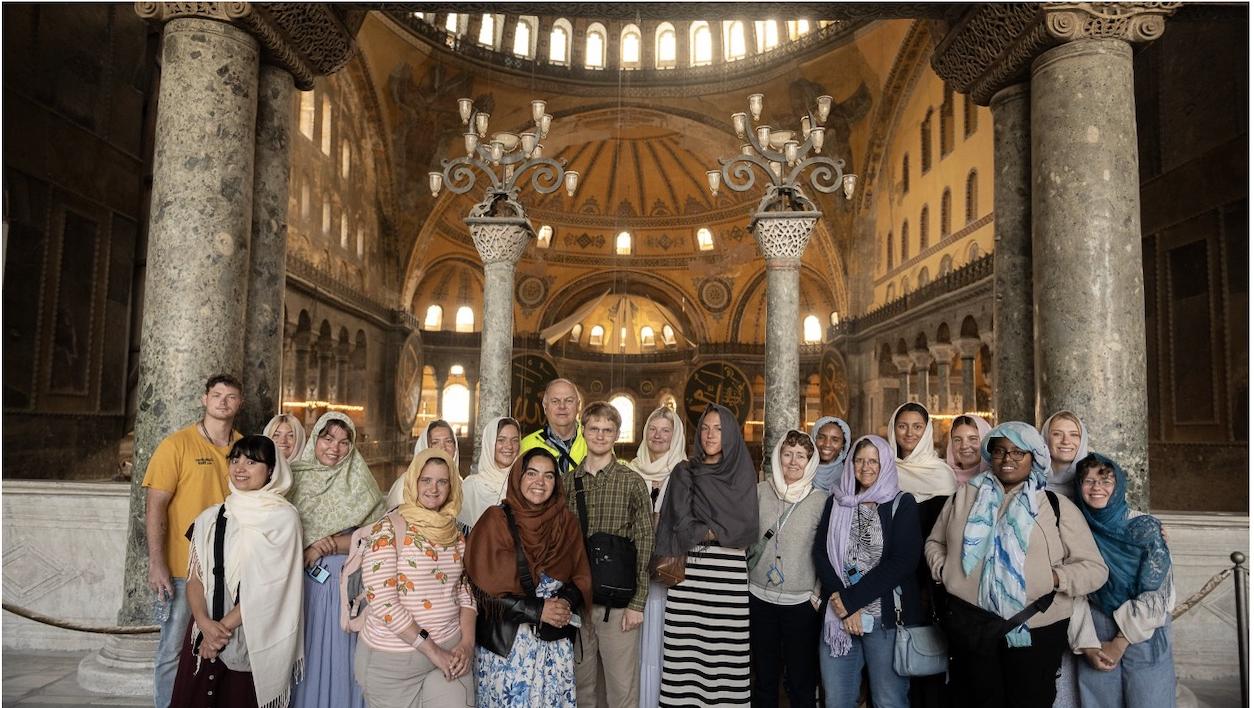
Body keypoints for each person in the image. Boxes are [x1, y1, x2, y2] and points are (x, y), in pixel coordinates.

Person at [924, 422, 1108, 708]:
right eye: (999, 451)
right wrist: (944, 570)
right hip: (971, 625)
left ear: (1034, 457)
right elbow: (935, 543)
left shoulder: (1054, 506)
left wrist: (1054, 578)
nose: (1007, 459)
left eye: (1017, 452)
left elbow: (1094, 569)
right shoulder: (964, 497)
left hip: (1035, 628)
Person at [170, 435, 304, 708]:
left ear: (271, 471)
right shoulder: (210, 517)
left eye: (252, 461)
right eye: (235, 459)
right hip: (203, 630)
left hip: (250, 633)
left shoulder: (283, 519)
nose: (240, 468)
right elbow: (195, 579)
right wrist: (205, 625)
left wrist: (220, 632)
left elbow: (271, 588)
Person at [142, 373, 244, 708]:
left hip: (228, 571)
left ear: (239, 404)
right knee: (172, 649)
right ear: (204, 399)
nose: (223, 402)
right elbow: (155, 504)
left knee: (220, 647)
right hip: (182, 568)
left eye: (230, 397)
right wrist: (156, 562)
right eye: (217, 395)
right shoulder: (177, 445)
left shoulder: (243, 448)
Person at [464, 448, 592, 707]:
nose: (540, 483)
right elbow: (481, 592)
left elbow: (580, 576)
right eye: (531, 473)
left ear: (556, 483)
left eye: (548, 476)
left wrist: (566, 602)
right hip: (508, 648)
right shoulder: (494, 521)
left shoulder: (566, 522)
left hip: (553, 645)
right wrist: (538, 611)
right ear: (518, 477)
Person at [355, 448, 477, 708]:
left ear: (452, 486)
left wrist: (467, 644)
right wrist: (435, 652)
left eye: (442, 481)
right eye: (426, 480)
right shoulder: (388, 529)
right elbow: (384, 602)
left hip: (451, 654)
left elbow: (464, 590)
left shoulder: (454, 533)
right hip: (393, 665)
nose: (434, 488)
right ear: (413, 482)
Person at [655, 403, 759, 707]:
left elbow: (746, 529)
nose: (710, 435)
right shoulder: (685, 471)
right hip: (689, 579)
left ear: (731, 434)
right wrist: (720, 529)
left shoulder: (742, 475)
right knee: (685, 657)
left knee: (726, 656)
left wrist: (707, 528)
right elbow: (679, 526)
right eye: (705, 427)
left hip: (727, 582)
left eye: (719, 428)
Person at [813, 435, 922, 708]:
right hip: (838, 621)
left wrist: (851, 602)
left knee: (888, 701)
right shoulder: (836, 501)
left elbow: (902, 562)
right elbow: (820, 553)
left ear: (884, 463)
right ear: (850, 463)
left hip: (884, 622)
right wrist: (845, 606)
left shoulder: (901, 503)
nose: (866, 467)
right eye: (859, 460)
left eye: (873, 460)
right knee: (837, 701)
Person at [288, 412, 385, 708]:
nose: (335, 448)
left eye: (345, 442)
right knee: (306, 651)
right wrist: (311, 548)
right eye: (328, 439)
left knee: (342, 653)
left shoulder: (361, 481)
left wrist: (324, 548)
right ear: (315, 438)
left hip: (346, 585)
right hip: (299, 583)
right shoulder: (293, 477)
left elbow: (378, 536)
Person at [563, 402, 655, 708]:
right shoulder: (568, 482)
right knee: (583, 687)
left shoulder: (632, 482)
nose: (600, 436)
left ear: (617, 434)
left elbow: (644, 541)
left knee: (621, 690)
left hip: (618, 606)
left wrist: (638, 604)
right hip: (578, 602)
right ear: (583, 431)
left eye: (607, 430)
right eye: (594, 429)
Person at [1069, 453, 1176, 708]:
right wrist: (1086, 643)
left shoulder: (1144, 527)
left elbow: (1158, 593)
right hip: (1093, 629)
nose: (1096, 488)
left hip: (1142, 630)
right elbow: (1072, 587)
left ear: (1118, 487)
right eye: (1088, 481)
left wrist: (1120, 642)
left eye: (1106, 481)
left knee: (1149, 701)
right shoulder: (1075, 527)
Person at [749, 430, 826, 708]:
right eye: (787, 454)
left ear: (810, 461)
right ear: (778, 456)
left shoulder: (821, 501)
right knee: (764, 677)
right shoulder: (759, 492)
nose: (793, 462)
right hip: (759, 597)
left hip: (801, 603)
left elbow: (826, 551)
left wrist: (817, 594)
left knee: (800, 679)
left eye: (801, 456)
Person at [889, 402, 956, 708]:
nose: (909, 433)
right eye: (902, 425)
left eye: (917, 426)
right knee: (892, 653)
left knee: (928, 650)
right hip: (890, 574)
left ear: (927, 430)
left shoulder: (942, 475)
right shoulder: (883, 471)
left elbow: (946, 535)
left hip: (929, 578)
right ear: (893, 428)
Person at [627, 406, 687, 708]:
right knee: (633, 651)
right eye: (653, 428)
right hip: (633, 575)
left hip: (669, 578)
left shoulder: (686, 472)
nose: (658, 435)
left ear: (675, 436)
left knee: (664, 648)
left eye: (666, 430)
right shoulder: (630, 469)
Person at [458, 417, 521, 528]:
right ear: (489, 443)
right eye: (501, 440)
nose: (509, 446)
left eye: (515, 440)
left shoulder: (525, 483)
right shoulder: (471, 487)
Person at [387, 420, 459, 509]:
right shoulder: (405, 484)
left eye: (448, 441)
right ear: (424, 446)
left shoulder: (460, 484)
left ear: (455, 447)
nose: (443, 448)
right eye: (435, 442)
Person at [520, 378, 587, 475]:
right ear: (545, 407)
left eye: (569, 401)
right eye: (555, 401)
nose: (562, 406)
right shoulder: (526, 445)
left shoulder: (595, 440)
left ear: (578, 406)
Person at [1041, 411, 1090, 500]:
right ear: (1045, 439)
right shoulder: (1027, 481)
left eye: (1074, 435)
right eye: (1057, 434)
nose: (1066, 441)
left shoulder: (1095, 484)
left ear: (1082, 441)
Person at [944, 414, 991, 485]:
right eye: (957, 440)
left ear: (987, 442)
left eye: (972, 439)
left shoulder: (996, 481)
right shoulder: (941, 477)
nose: (964, 446)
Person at [811, 416, 853, 493]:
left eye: (835, 440)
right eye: (821, 437)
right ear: (814, 439)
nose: (827, 444)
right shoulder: (801, 470)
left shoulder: (850, 476)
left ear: (843, 445)